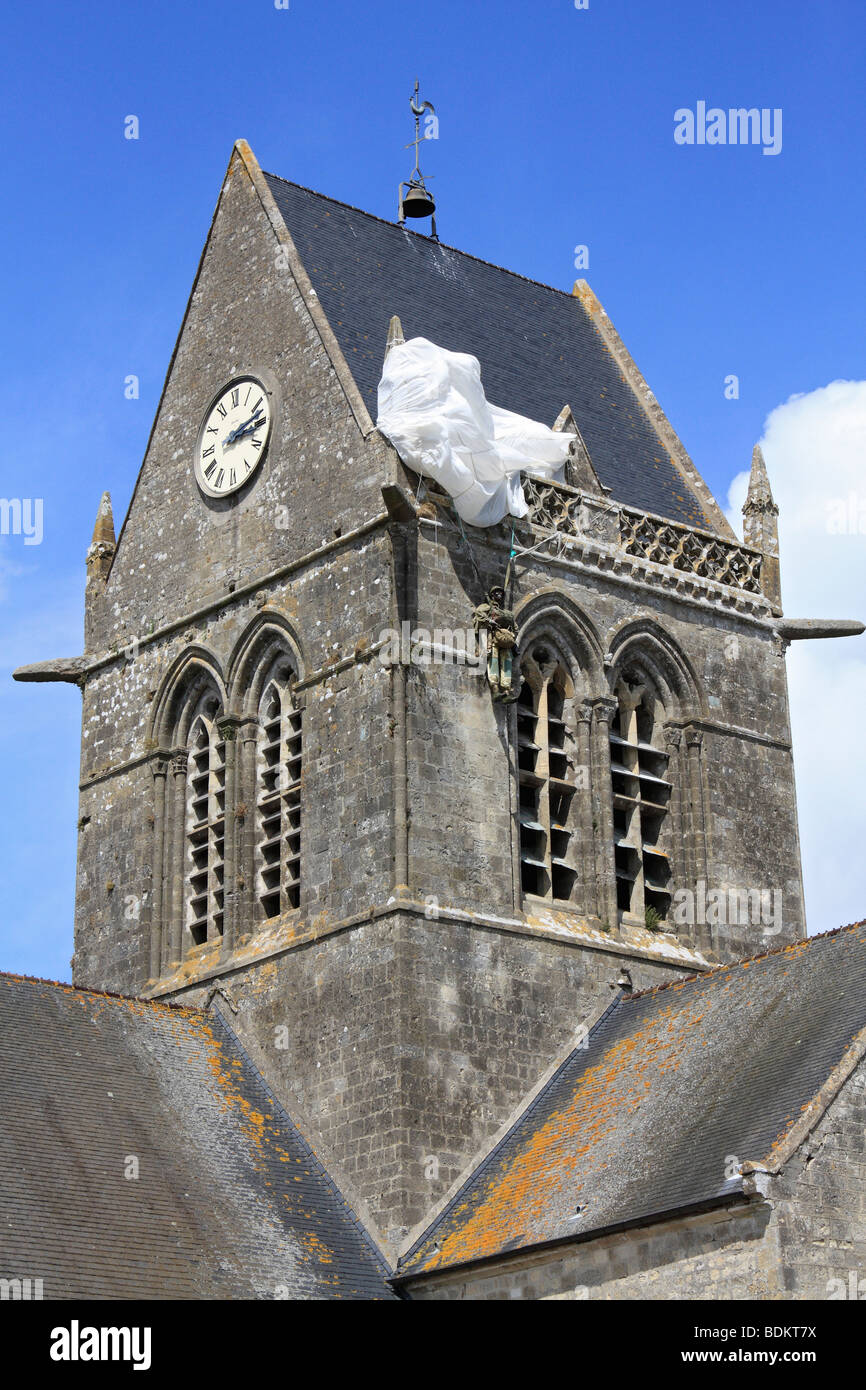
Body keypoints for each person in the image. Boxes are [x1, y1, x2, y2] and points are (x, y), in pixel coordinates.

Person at [473, 586, 521, 701]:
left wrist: (509, 634)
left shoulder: (506, 613)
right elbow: (478, 614)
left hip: (504, 640)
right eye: (496, 592)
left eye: (500, 593)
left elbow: (515, 628)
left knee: (507, 662)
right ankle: (495, 689)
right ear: (492, 595)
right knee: (493, 660)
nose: (499, 594)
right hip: (492, 639)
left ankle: (506, 690)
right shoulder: (486, 607)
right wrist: (489, 621)